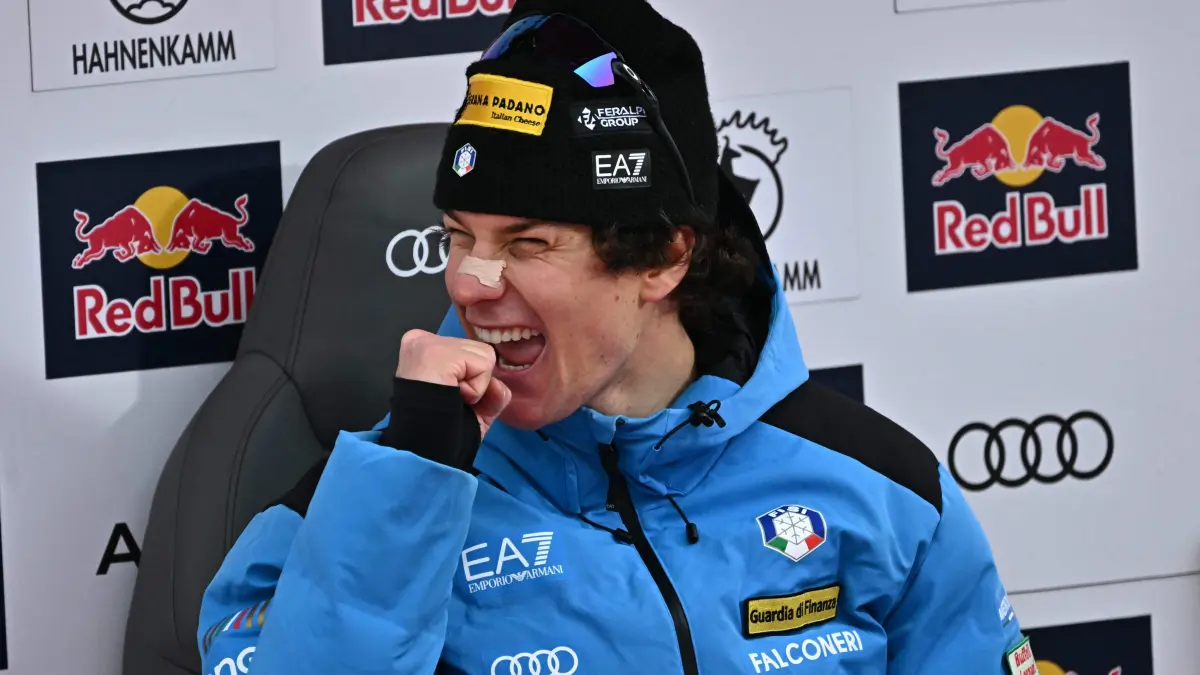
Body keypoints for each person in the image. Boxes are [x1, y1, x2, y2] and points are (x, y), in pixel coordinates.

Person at [197, 1, 1038, 673]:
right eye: (459, 235)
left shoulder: (884, 486)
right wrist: (410, 486)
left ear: (664, 258)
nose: (468, 281)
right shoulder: (344, 514)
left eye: (529, 243)